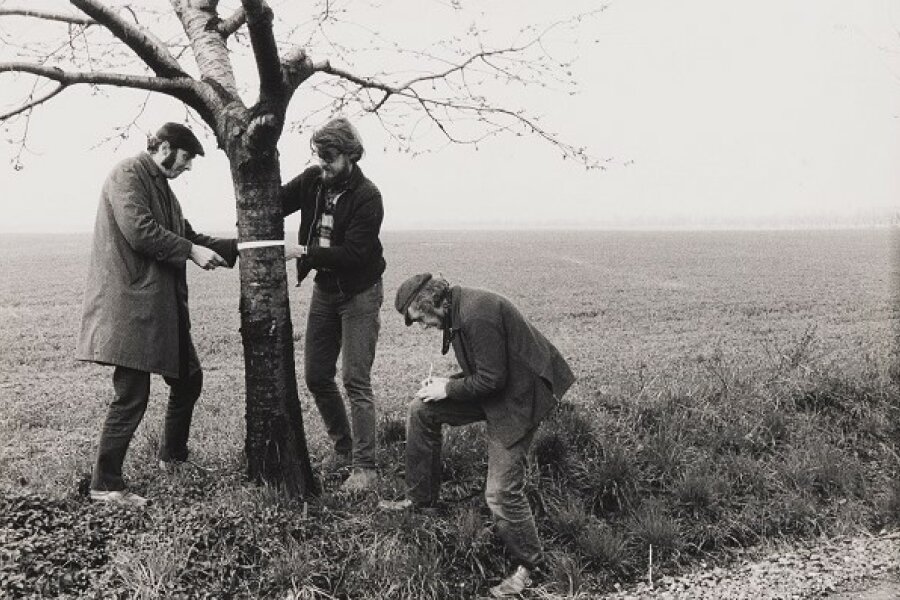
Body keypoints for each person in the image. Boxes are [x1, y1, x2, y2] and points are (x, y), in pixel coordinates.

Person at [381, 273, 576, 598]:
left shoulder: (476, 314)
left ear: (430, 303)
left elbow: (493, 380)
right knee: (422, 409)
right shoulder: (456, 311)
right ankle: (421, 500)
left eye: (420, 319)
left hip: (521, 396)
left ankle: (530, 567)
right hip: (498, 386)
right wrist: (445, 387)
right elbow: (485, 372)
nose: (423, 326)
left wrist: (448, 387)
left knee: (500, 493)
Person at [76, 122, 237, 507]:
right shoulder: (128, 174)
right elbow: (140, 231)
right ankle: (106, 484)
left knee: (188, 379)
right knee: (131, 396)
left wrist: (245, 245)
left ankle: (172, 458)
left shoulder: (164, 190)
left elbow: (190, 236)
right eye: (185, 158)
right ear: (163, 147)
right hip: (131, 309)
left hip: (161, 311)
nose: (188, 167)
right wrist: (190, 251)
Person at [281, 117, 385, 492]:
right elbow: (272, 201)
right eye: (320, 157)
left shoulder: (368, 196)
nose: (323, 165)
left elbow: (355, 254)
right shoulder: (313, 180)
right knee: (316, 375)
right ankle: (343, 448)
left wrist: (305, 251)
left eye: (330, 159)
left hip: (359, 293)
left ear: (351, 156)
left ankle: (365, 468)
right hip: (326, 290)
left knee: (355, 379)